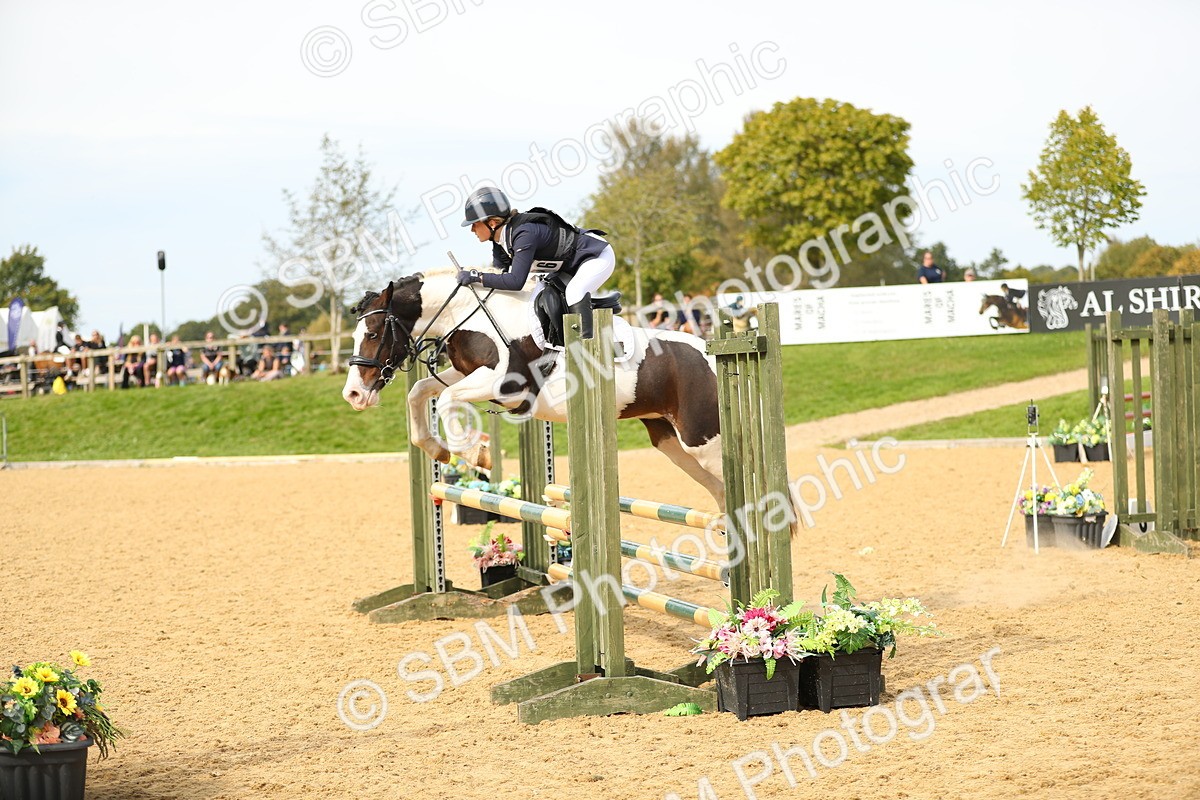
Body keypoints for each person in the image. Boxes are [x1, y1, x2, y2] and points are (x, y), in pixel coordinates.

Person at [456, 186, 614, 340]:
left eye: (474, 223)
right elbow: (498, 277)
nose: (472, 230)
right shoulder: (500, 242)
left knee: (575, 291)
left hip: (596, 256)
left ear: (491, 223)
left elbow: (515, 281)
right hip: (570, 266)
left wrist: (476, 276)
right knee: (541, 291)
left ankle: (584, 348)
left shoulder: (524, 234)